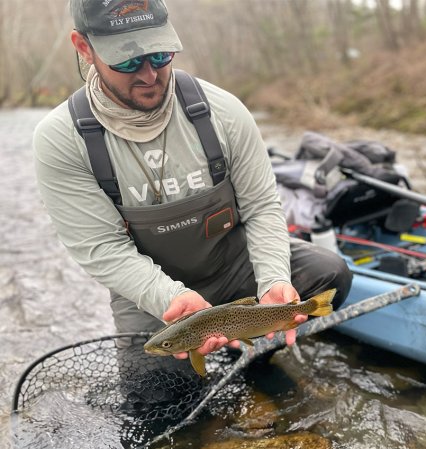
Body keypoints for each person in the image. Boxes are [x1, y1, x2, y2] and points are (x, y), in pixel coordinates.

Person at [33, 0, 352, 361]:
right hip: (153, 295)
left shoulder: (223, 112)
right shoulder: (62, 140)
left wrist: (275, 280)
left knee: (330, 273)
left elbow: (261, 207)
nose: (149, 74)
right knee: (152, 403)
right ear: (83, 48)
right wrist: (171, 300)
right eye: (126, 60)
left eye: (160, 54)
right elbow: (103, 248)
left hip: (234, 266)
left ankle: (256, 355)